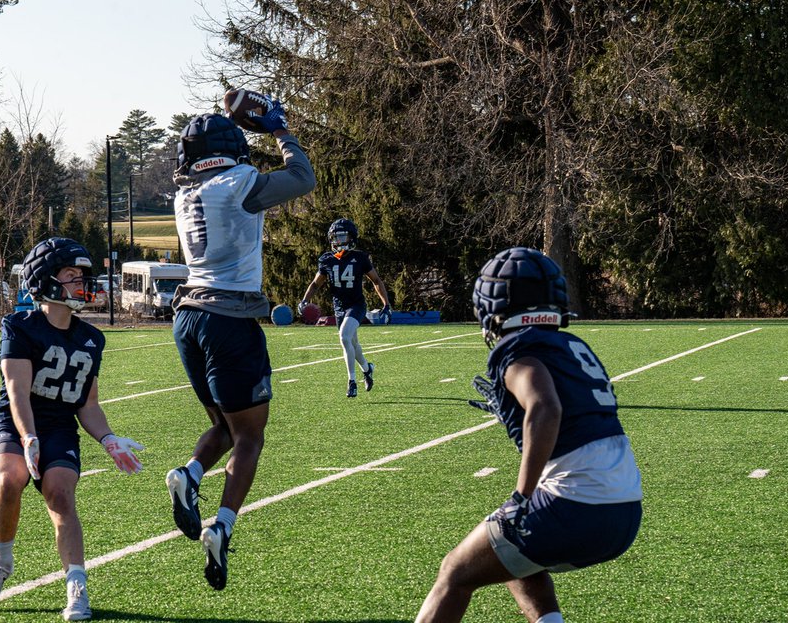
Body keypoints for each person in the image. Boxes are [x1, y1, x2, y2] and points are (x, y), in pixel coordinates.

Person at [415, 247, 643, 623]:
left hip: (575, 503)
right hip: (625, 508)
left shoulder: (517, 350)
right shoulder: (572, 346)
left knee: (454, 573)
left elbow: (547, 407)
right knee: (509, 553)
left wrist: (522, 496)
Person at [165, 104, 316, 590]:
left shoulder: (185, 192)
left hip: (187, 316)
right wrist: (280, 130)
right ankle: (222, 524)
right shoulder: (240, 182)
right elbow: (302, 177)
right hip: (229, 318)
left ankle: (190, 474)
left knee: (223, 428)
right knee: (250, 437)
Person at [0, 237, 145, 621]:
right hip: (18, 423)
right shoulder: (19, 326)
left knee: (61, 495)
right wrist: (28, 437)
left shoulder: (91, 338)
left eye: (82, 274)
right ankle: (2, 563)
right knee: (9, 477)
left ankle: (76, 584)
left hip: (60, 428)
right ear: (47, 281)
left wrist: (108, 438)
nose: (82, 282)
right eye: (72, 275)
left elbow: (88, 404)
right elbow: (18, 394)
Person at [297, 218, 392, 397]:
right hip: (339, 307)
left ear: (351, 238)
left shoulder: (360, 257)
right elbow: (316, 284)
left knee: (344, 337)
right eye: (335, 237)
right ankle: (367, 368)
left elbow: (376, 281)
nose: (338, 241)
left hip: (356, 304)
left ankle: (352, 381)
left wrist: (386, 304)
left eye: (342, 237)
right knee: (352, 343)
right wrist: (304, 300)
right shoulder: (327, 260)